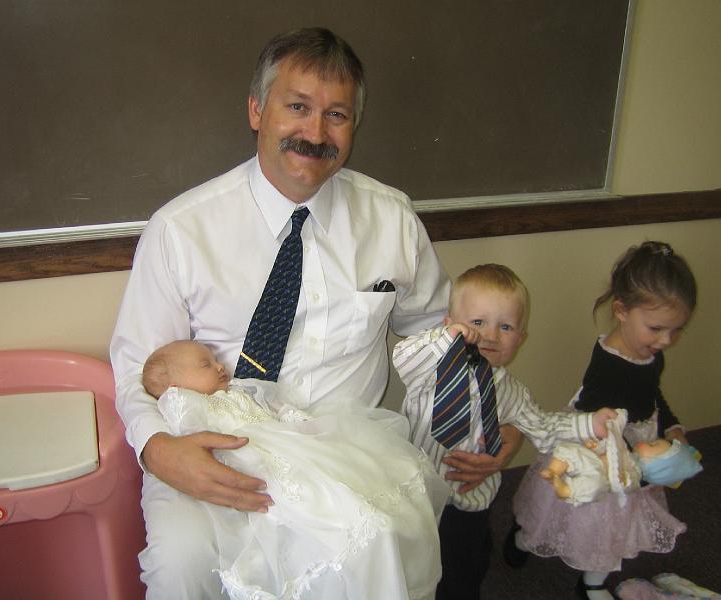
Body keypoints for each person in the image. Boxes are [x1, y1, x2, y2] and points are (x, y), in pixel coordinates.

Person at [109, 27, 510, 598]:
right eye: (297, 107)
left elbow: (439, 336)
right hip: (215, 447)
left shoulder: (391, 219)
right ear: (257, 109)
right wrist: (159, 450)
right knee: (182, 568)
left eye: (337, 115)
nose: (315, 132)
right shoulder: (181, 230)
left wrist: (488, 424)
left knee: (378, 546)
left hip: (346, 452)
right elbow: (134, 368)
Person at [141, 339, 450, 600]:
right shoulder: (183, 402)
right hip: (247, 455)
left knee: (354, 477)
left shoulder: (236, 390)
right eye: (206, 365)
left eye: (215, 360)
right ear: (175, 386)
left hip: (284, 443)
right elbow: (190, 433)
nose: (221, 366)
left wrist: (293, 419)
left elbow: (267, 408)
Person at [392, 263, 617, 600]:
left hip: (470, 502)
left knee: (464, 571)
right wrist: (447, 339)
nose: (490, 335)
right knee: (410, 568)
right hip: (416, 493)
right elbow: (404, 357)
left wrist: (590, 423)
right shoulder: (432, 367)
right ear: (449, 324)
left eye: (506, 326)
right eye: (477, 323)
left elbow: (542, 426)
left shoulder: (513, 392)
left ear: (520, 339)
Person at [508, 241, 699, 600]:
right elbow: (597, 420)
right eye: (657, 328)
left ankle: (592, 582)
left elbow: (652, 394)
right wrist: (634, 463)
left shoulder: (651, 353)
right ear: (622, 311)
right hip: (598, 448)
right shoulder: (608, 364)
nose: (666, 340)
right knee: (564, 510)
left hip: (637, 448)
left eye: (676, 331)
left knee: (615, 526)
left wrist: (672, 428)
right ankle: (521, 538)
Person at [541, 409, 702, 506]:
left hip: (596, 473)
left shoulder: (633, 475)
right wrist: (596, 446)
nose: (648, 442)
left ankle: (567, 490)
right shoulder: (628, 454)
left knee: (594, 486)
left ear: (654, 464)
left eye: (652, 446)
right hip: (592, 459)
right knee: (570, 450)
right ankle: (554, 469)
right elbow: (611, 447)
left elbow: (625, 486)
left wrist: (621, 479)